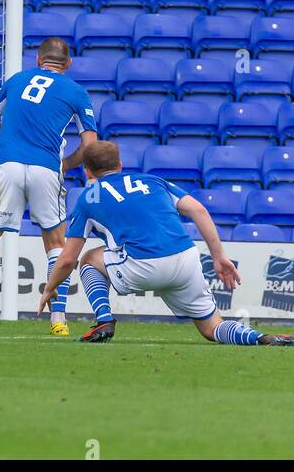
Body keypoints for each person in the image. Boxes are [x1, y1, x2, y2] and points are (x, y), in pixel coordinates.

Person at [41, 140, 290, 346]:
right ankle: (260, 337)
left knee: (89, 259)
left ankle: (104, 320)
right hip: (185, 259)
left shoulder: (88, 197)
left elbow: (67, 259)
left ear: (87, 171)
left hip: (141, 266)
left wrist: (50, 287)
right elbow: (199, 211)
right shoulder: (152, 181)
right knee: (212, 327)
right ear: (120, 165)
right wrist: (218, 257)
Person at [0, 37, 97, 338]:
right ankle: (58, 319)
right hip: (46, 169)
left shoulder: (17, 80)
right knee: (55, 244)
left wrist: (7, 133)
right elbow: (90, 146)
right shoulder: (77, 92)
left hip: (7, 165)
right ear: (68, 64)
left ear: (38, 60)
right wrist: (66, 163)